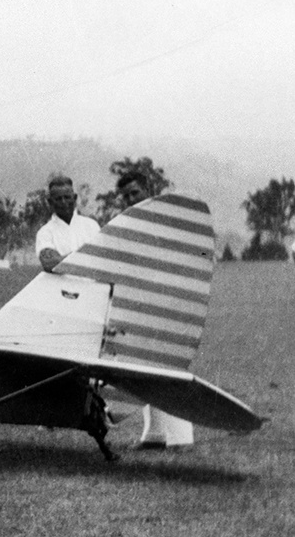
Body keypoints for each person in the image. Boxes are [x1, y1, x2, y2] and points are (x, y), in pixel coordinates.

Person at [114, 170, 196, 449]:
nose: (131, 199)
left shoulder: (168, 222)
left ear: (148, 190)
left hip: (169, 303)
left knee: (169, 368)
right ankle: (155, 434)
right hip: (141, 305)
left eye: (135, 193)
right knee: (143, 367)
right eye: (125, 196)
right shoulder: (127, 225)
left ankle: (182, 438)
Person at [36, 174, 99, 272]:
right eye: (58, 199)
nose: (64, 202)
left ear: (74, 198)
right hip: (62, 287)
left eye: (67, 197)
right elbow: (49, 263)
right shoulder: (45, 232)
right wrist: (86, 258)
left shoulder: (92, 226)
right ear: (50, 202)